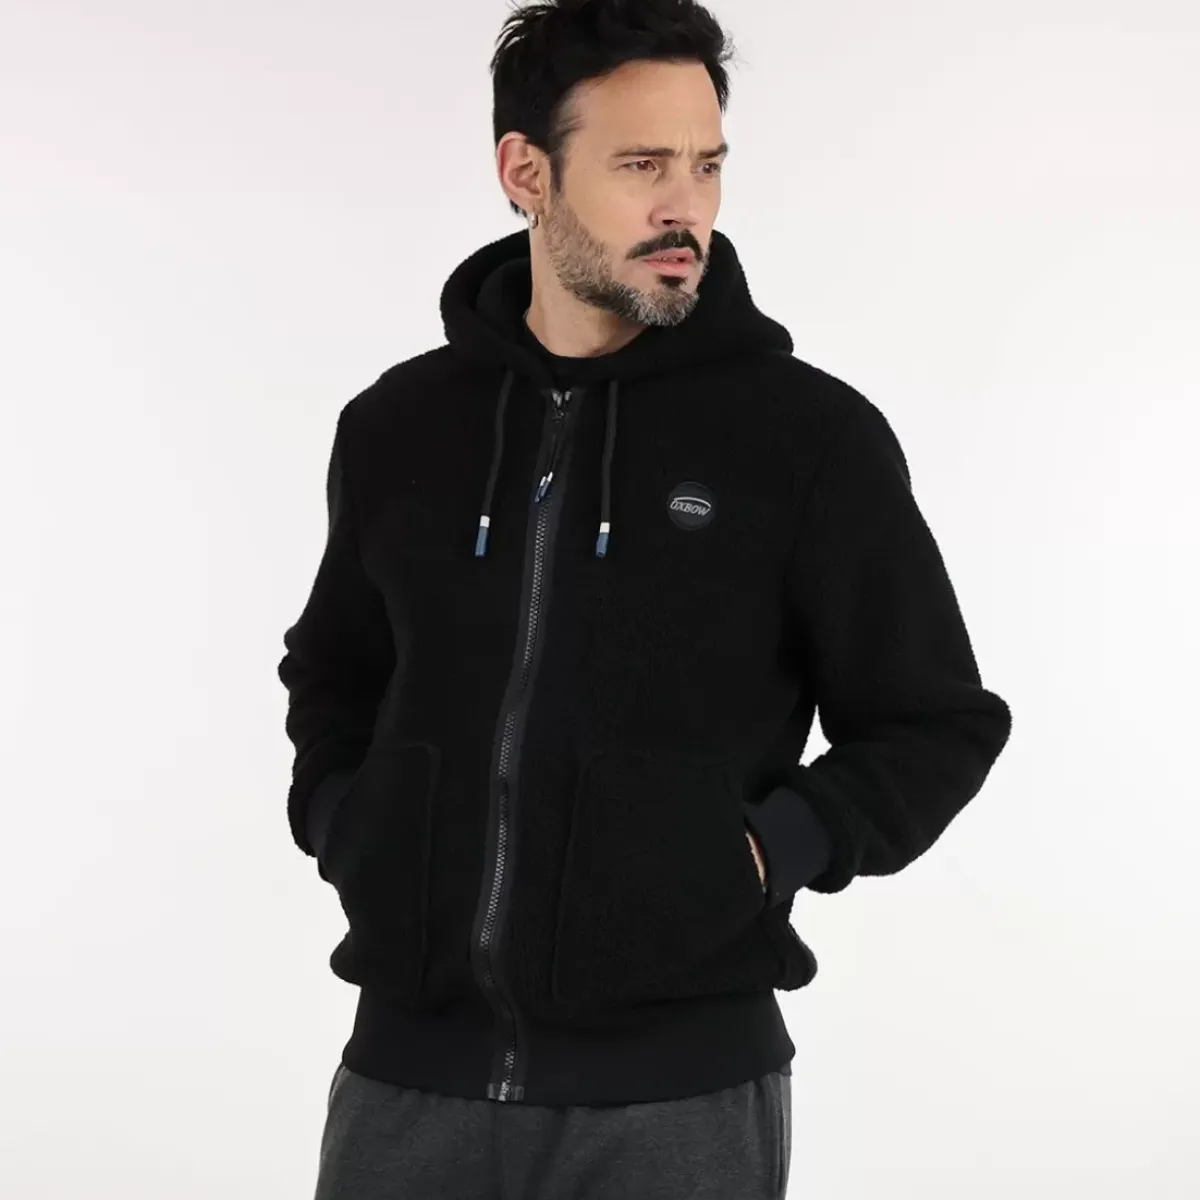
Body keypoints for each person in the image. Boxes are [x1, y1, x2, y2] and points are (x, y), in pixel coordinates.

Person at [276, 1, 1013, 1195]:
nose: (686, 206)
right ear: (526, 172)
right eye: (642, 166)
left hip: (678, 1106)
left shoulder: (805, 439)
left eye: (706, 165)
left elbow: (936, 721)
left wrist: (767, 852)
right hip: (407, 1084)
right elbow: (336, 673)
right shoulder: (399, 428)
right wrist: (346, 818)